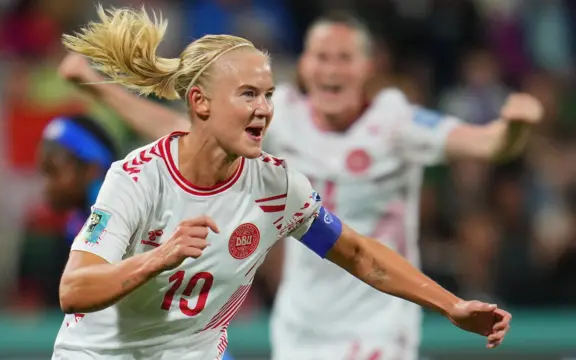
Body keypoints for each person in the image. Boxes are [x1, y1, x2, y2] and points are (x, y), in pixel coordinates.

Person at [59, 10, 540, 360]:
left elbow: (360, 254)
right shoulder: (138, 178)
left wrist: (451, 305)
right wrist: (159, 257)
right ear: (201, 103)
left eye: (268, 95)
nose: (265, 108)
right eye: (248, 94)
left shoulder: (275, 186)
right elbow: (75, 290)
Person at [39, 114, 119, 245]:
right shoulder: (76, 222)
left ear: (92, 169)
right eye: (44, 173)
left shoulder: (106, 213)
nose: (46, 185)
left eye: (54, 172)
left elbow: (87, 259)